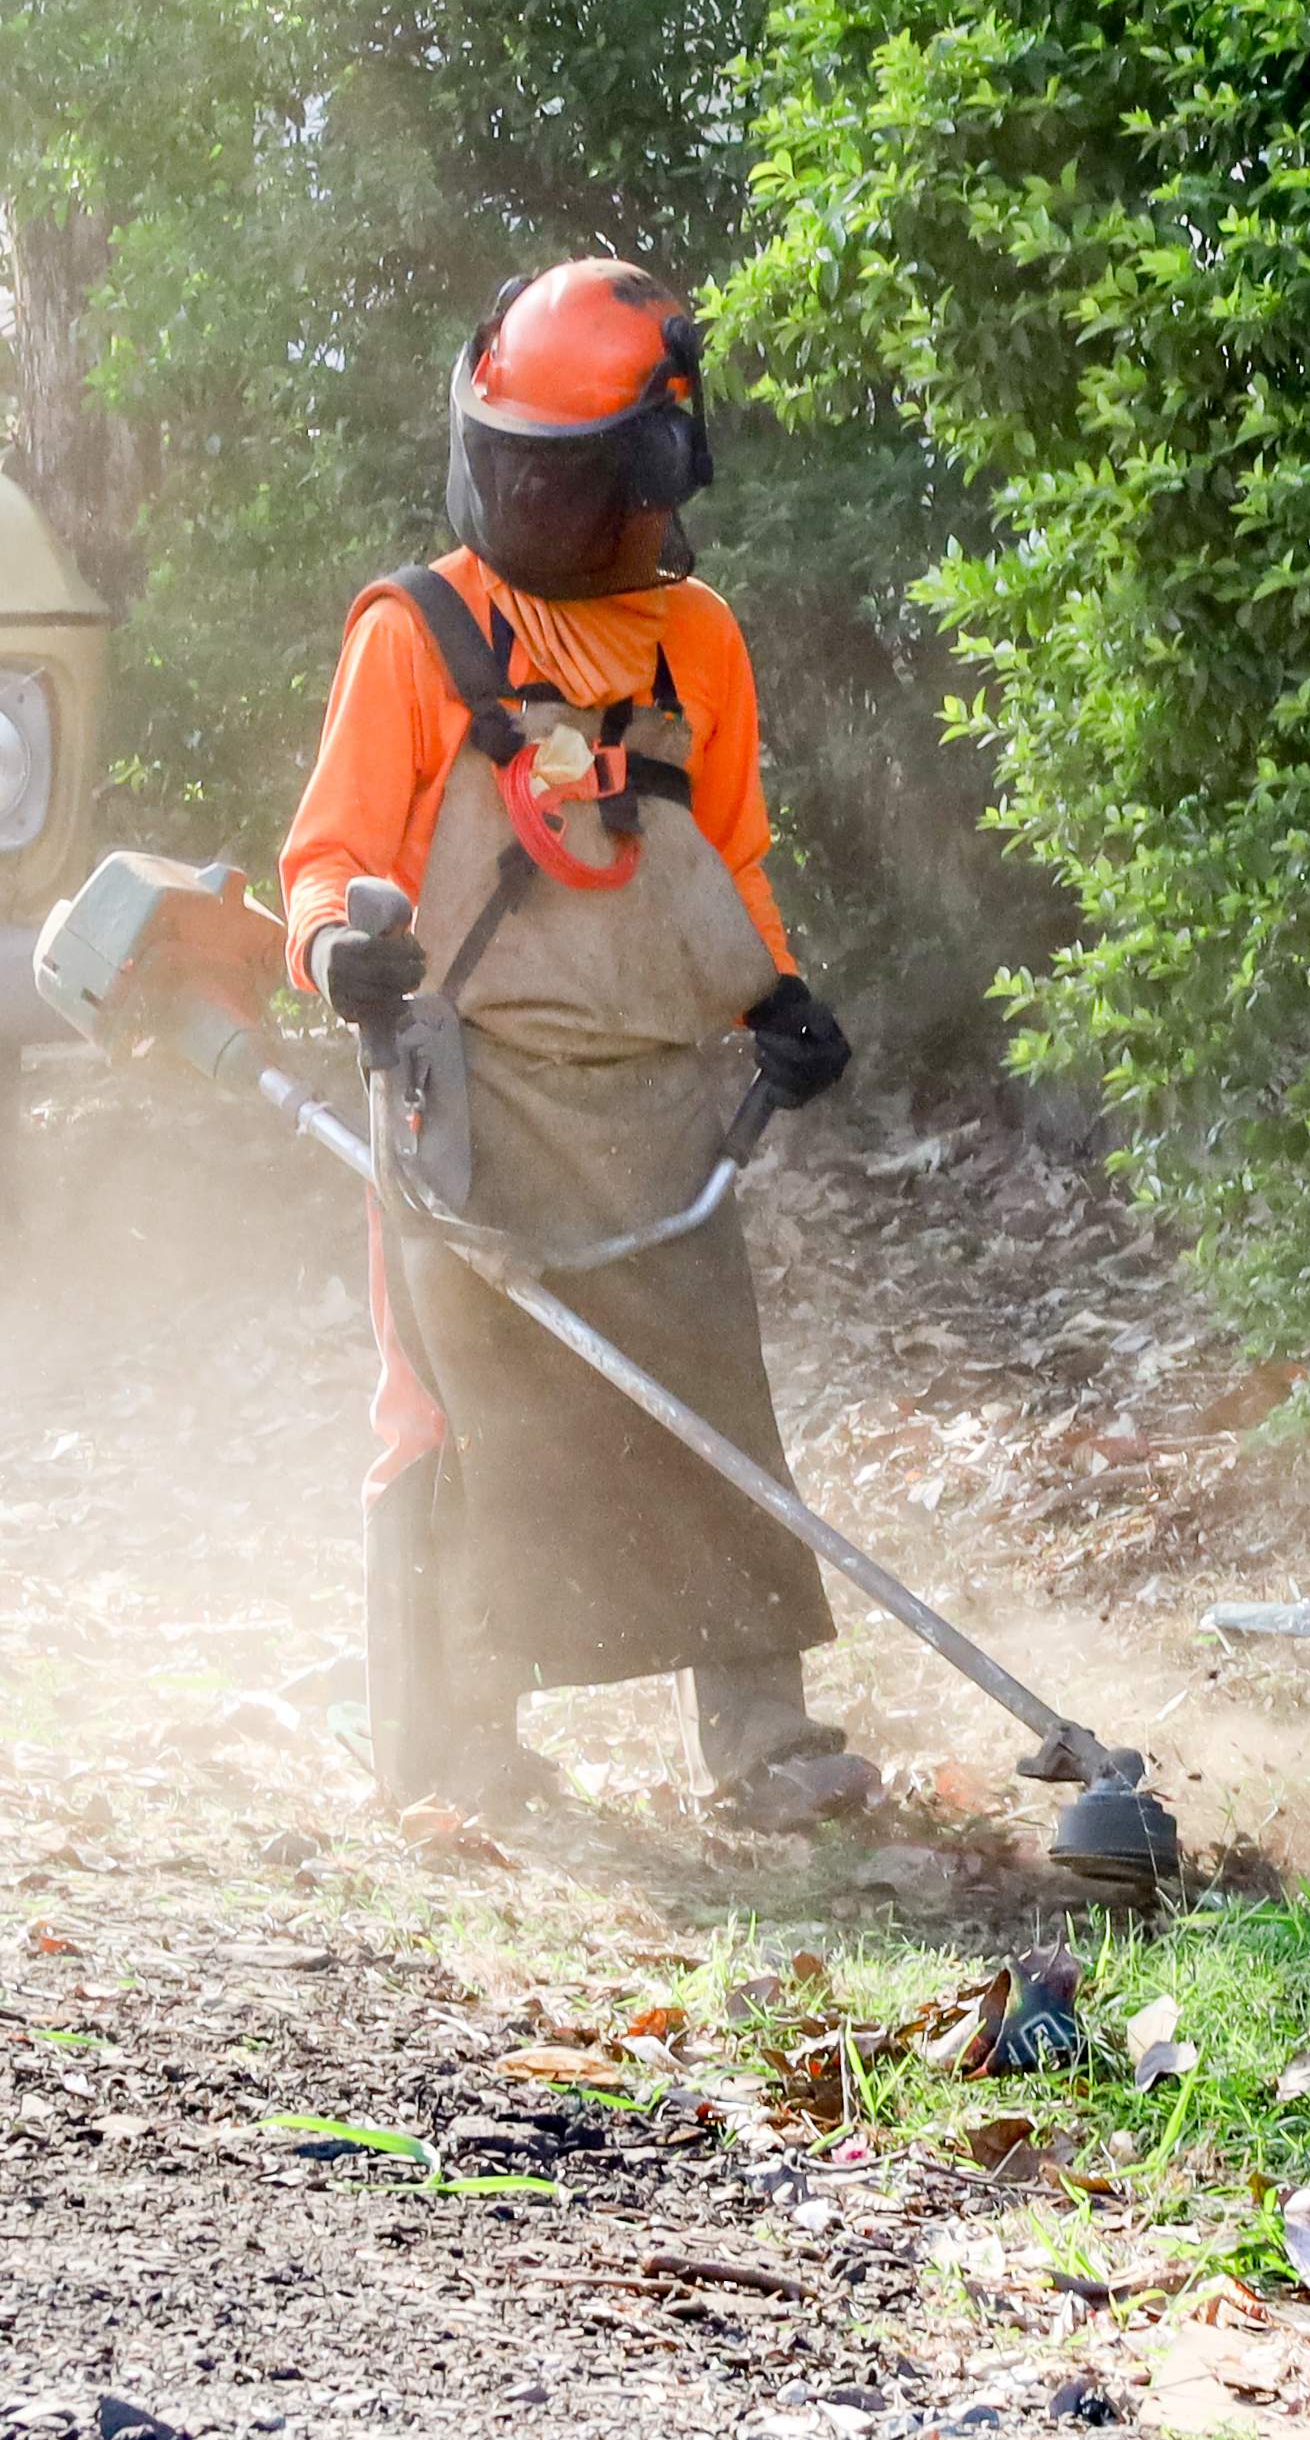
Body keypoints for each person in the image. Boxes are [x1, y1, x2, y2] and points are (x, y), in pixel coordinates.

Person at [276, 258, 870, 1829]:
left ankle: (765, 1745)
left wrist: (776, 1001)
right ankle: (453, 1753)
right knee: (461, 1413)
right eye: (515, 460)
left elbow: (719, 858)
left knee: (707, 1395)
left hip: (655, 1096)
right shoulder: (417, 632)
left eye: (566, 470)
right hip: (459, 1087)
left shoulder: (698, 641)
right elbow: (323, 855)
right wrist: (341, 944)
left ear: (650, 471)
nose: (532, 494)